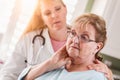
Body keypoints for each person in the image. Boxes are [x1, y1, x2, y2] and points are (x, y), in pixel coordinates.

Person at [0, 0, 113, 80]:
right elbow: (13, 75)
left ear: (65, 9)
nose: (54, 15)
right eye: (47, 13)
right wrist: (49, 63)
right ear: (42, 17)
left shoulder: (93, 73)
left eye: (57, 9)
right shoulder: (30, 40)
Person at [18, 13, 108, 80]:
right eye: (73, 33)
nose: (75, 40)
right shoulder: (56, 65)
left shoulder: (95, 77)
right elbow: (24, 78)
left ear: (97, 47)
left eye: (84, 37)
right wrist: (49, 63)